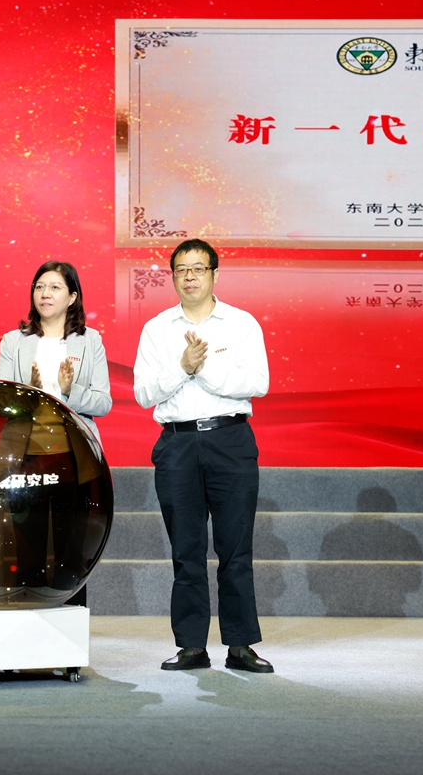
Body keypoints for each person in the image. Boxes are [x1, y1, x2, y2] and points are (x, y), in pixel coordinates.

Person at [133, 239, 274, 673]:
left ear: (214, 273)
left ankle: (240, 645)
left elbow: (258, 382)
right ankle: (191, 645)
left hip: (230, 441)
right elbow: (143, 392)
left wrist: (203, 368)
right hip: (177, 444)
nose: (189, 277)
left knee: (236, 547)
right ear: (172, 276)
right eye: (181, 269)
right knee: (186, 550)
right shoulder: (157, 328)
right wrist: (182, 367)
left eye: (198, 268)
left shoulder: (241, 323)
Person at [0, 261, 112, 606]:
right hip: (25, 459)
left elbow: (103, 402)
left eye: (55, 287)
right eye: (39, 286)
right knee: (26, 550)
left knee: (71, 551)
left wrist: (70, 390)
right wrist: (25, 393)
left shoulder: (90, 341)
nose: (45, 293)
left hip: (73, 460)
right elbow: (0, 404)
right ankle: (27, 627)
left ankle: (70, 631)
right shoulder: (14, 341)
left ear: (72, 297)